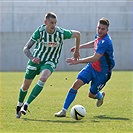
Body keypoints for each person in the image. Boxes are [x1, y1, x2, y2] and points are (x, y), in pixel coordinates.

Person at [16, 12, 80, 118]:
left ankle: (26, 105)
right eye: (51, 23)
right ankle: (19, 105)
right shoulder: (40, 32)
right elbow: (26, 48)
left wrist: (77, 51)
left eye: (55, 23)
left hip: (50, 61)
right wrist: (32, 58)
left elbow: (77, 34)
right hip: (36, 60)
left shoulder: (60, 33)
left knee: (43, 78)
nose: (53, 25)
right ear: (45, 22)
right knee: (25, 86)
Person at [54, 17, 115, 117]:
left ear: (107, 30)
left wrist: (77, 61)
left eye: (103, 29)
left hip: (103, 73)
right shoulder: (99, 36)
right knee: (76, 84)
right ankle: (63, 111)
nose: (100, 31)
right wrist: (79, 47)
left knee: (91, 95)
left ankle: (100, 96)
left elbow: (95, 58)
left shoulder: (106, 41)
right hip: (91, 68)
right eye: (99, 28)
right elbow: (94, 43)